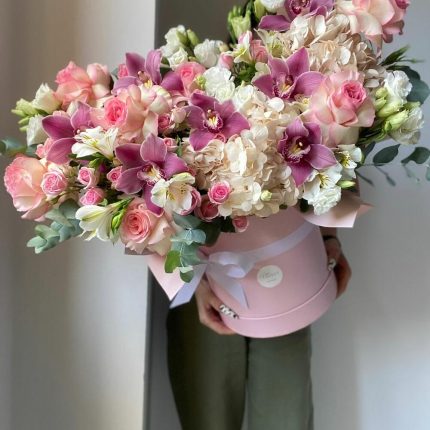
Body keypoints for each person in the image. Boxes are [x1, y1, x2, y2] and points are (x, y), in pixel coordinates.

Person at [165, 225, 351, 430]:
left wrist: (327, 235)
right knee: (209, 416)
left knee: (286, 417)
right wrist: (192, 277)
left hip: (285, 274)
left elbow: (319, 204)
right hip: (201, 281)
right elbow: (148, 212)